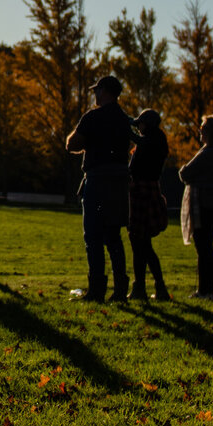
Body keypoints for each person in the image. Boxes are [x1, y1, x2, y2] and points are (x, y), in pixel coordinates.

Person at [66, 76, 134, 302]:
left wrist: (88, 141)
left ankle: (96, 289)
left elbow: (72, 144)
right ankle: (120, 289)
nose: (95, 94)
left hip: (97, 179)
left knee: (93, 236)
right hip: (120, 180)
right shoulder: (124, 120)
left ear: (104, 91)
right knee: (113, 235)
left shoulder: (93, 117)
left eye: (97, 90)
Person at [177, 114, 213, 299]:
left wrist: (187, 171)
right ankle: (207, 287)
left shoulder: (208, 153)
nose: (200, 131)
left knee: (203, 248)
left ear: (210, 133)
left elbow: (185, 173)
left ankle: (205, 289)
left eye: (203, 128)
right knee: (206, 246)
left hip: (202, 205)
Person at [126, 107, 171, 300]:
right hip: (147, 191)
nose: (139, 128)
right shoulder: (157, 139)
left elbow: (140, 141)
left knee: (138, 241)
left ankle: (140, 288)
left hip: (141, 192)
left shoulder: (153, 140)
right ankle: (158, 287)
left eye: (141, 124)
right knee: (143, 244)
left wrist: (125, 127)